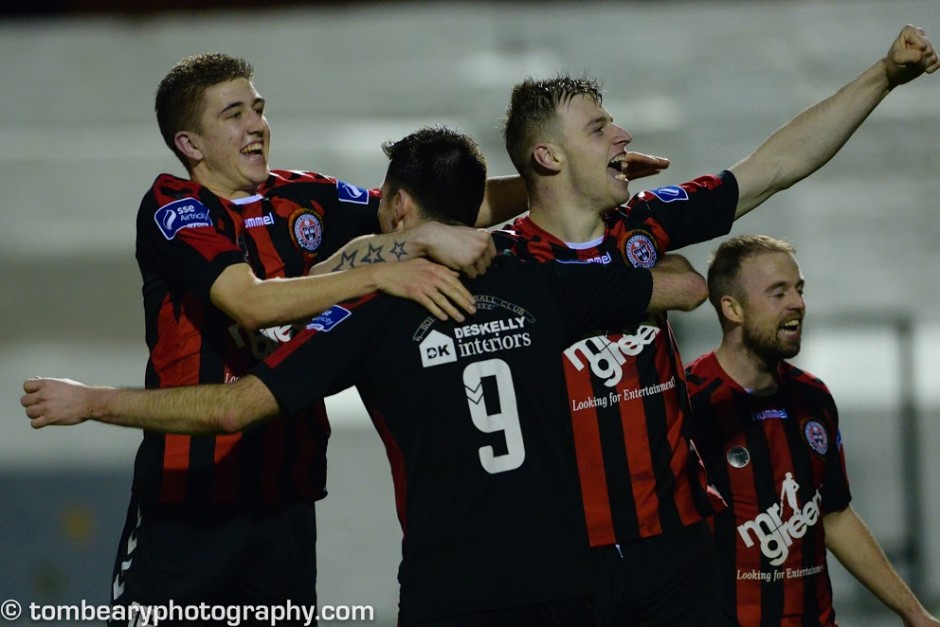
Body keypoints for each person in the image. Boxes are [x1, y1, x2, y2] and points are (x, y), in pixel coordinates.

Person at [22, 126, 709, 627]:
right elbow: (684, 289)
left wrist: (94, 400)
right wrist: (590, 199)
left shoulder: (367, 310)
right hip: (568, 585)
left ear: (400, 209)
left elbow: (236, 403)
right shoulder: (537, 280)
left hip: (452, 594)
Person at [493, 24, 937, 626]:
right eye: (598, 128)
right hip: (565, 559)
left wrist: (883, 75)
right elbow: (401, 218)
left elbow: (774, 167)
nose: (622, 134)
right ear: (548, 157)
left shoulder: (643, 225)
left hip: (677, 551)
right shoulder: (500, 263)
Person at [685, 234, 940, 627]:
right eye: (778, 292)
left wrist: (914, 614)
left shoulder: (812, 396)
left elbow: (834, 514)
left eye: (799, 290)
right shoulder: (687, 405)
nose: (798, 303)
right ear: (733, 309)